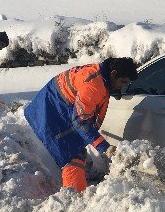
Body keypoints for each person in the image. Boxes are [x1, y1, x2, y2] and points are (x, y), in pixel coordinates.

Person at [24, 57, 138, 193]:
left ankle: (74, 190)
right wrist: (105, 147)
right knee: (72, 157)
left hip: (57, 107)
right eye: (122, 82)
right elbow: (80, 121)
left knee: (75, 149)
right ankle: (73, 199)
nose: (123, 86)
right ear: (113, 74)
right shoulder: (94, 85)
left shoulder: (102, 76)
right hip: (50, 113)